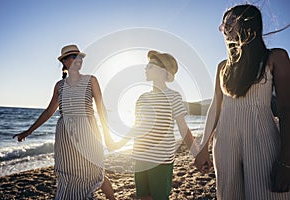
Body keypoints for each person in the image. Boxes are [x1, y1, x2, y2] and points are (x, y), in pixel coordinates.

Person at [194, 4, 290, 200]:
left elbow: (286, 108)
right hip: (224, 142)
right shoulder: (223, 66)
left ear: (249, 23)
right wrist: (202, 147)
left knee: (267, 195)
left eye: (230, 21)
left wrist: (287, 159)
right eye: (222, 24)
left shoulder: (276, 57)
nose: (224, 28)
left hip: (262, 137)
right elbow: (216, 107)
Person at [13, 44, 116, 200]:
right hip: (65, 136)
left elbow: (101, 109)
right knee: (68, 173)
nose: (78, 59)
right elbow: (49, 111)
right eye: (74, 56)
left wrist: (108, 135)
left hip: (88, 132)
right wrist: (29, 131)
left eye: (80, 56)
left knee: (94, 171)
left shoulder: (91, 80)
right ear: (65, 62)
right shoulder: (59, 86)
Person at [116, 50, 195, 200]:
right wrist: (118, 143)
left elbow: (183, 127)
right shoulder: (142, 98)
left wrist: (197, 153)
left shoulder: (173, 96)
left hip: (160, 159)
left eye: (149, 66)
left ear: (162, 71)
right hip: (140, 156)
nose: (145, 68)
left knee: (159, 197)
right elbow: (136, 127)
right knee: (143, 197)